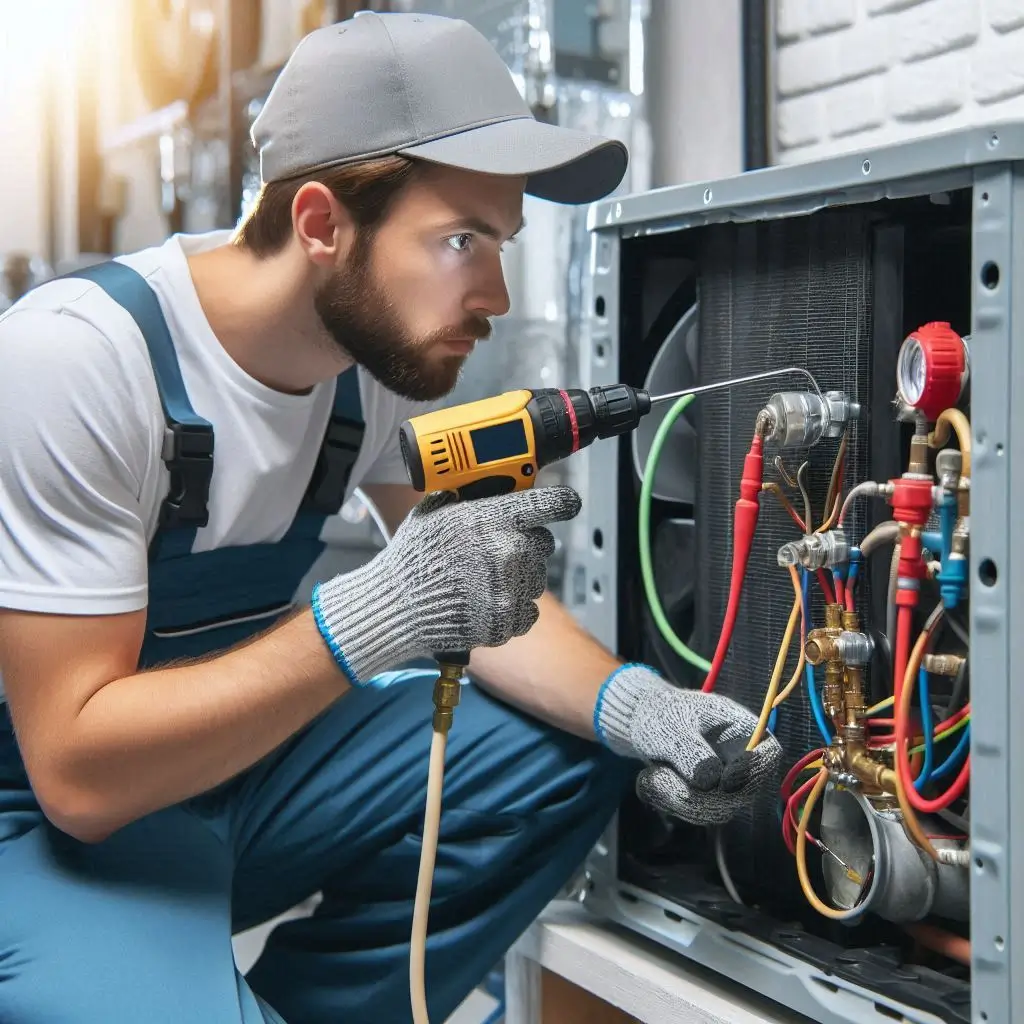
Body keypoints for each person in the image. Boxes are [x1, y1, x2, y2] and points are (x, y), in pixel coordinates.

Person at [0, 12, 781, 1023]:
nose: (494, 293)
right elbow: (77, 773)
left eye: (499, 243)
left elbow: (484, 600)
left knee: (562, 758)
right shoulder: (79, 362)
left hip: (235, 772)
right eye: (460, 240)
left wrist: (645, 708)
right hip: (45, 823)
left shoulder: (370, 373)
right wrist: (374, 612)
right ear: (321, 223)